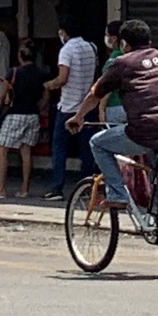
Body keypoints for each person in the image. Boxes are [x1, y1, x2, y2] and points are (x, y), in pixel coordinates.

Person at [77, 20, 158, 205]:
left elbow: (95, 94)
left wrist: (78, 117)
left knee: (97, 143)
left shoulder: (122, 62)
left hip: (143, 132)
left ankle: (117, 194)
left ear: (124, 44)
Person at [0, 36, 55, 197]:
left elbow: (2, 97)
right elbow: (46, 98)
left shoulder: (13, 72)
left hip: (14, 114)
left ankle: (0, 188)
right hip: (32, 115)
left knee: (1, 149)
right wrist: (37, 107)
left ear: (20, 55)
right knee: (26, 152)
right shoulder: (42, 74)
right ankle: (24, 188)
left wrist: (1, 107)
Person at [50, 20, 102, 199]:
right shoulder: (92, 47)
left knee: (59, 149)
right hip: (87, 106)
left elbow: (62, 78)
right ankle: (86, 188)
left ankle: (57, 188)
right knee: (87, 149)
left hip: (67, 106)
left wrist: (49, 85)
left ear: (64, 32)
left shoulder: (66, 50)